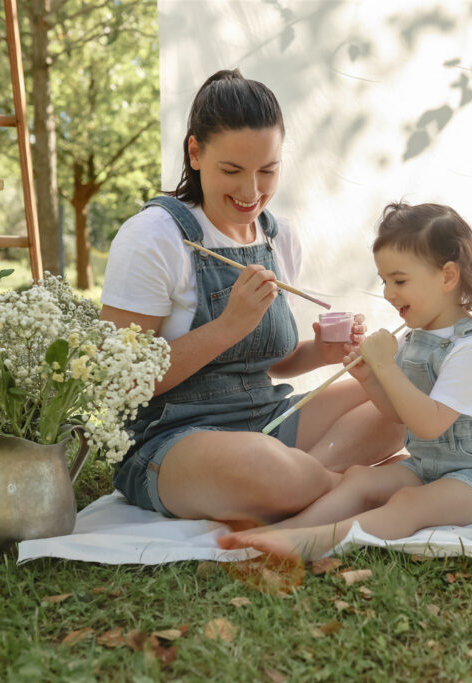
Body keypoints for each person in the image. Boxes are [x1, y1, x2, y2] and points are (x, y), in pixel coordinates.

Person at [100, 69, 404, 523]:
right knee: (266, 468)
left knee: (399, 405)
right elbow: (119, 383)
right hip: (174, 438)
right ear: (196, 152)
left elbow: (270, 363)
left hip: (268, 419)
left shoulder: (278, 239)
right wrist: (227, 327)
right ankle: (344, 486)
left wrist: (322, 352)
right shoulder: (153, 237)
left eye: (268, 171)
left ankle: (313, 484)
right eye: (232, 170)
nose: (251, 192)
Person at [219, 202, 472, 560]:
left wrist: (386, 366)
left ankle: (312, 542)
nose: (388, 293)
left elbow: (427, 424)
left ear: (446, 277)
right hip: (430, 468)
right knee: (361, 478)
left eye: (400, 280)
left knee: (409, 503)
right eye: (384, 281)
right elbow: (397, 415)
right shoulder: (415, 337)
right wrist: (368, 377)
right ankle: (282, 532)